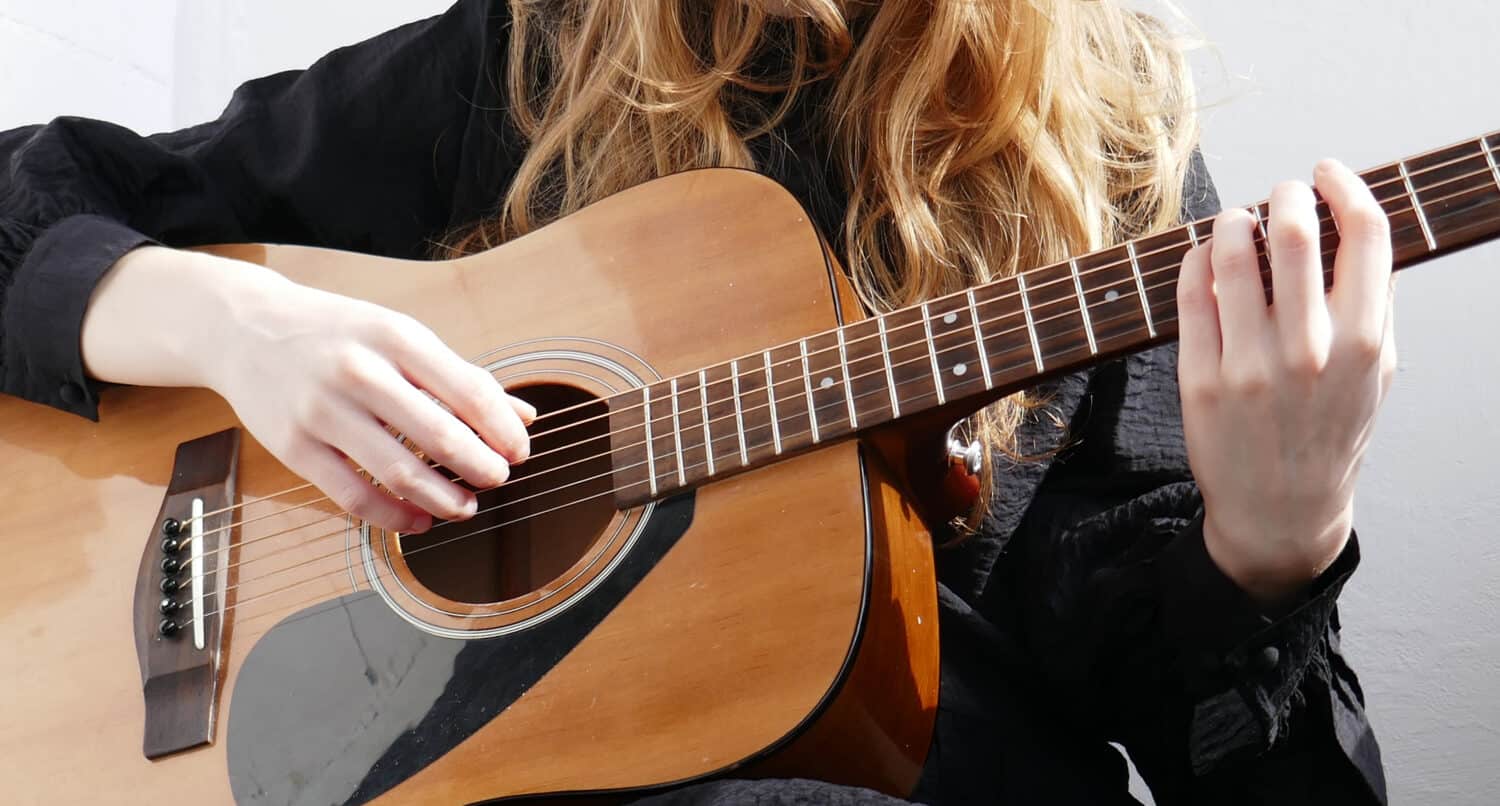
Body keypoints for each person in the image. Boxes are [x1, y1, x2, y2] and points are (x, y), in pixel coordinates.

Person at [0, 1, 1392, 803]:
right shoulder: (537, 60)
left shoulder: (1112, 169)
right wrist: (239, 323)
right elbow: (33, 194)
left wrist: (1280, 540)